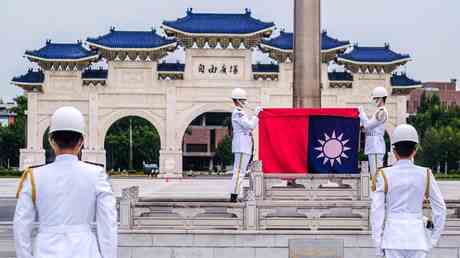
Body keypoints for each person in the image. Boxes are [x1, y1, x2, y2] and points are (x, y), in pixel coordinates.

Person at [14, 106, 117, 258]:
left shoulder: (34, 176)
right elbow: (108, 224)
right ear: (82, 141)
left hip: (44, 251)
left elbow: (21, 225)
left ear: (51, 141)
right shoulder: (97, 175)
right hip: (85, 251)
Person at [371, 124, 446, 258]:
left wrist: (378, 245)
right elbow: (440, 209)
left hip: (392, 240)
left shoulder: (384, 174)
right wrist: (432, 240)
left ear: (394, 151)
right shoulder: (426, 174)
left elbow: (377, 211)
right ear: (415, 150)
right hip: (418, 240)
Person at [230, 88, 262, 202]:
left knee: (241, 171)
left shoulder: (241, 112)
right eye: (243, 100)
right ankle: (233, 195)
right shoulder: (238, 113)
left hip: (245, 145)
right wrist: (256, 115)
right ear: (237, 101)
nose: (245, 102)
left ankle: (235, 194)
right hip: (241, 145)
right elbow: (250, 126)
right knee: (239, 171)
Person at [359, 86, 389, 178]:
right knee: (374, 175)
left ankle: (378, 192)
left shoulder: (381, 112)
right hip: (373, 145)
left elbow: (368, 125)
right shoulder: (378, 111)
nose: (374, 100)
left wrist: (361, 113)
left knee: (376, 176)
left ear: (381, 98)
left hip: (376, 146)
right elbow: (368, 127)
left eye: (376, 98)